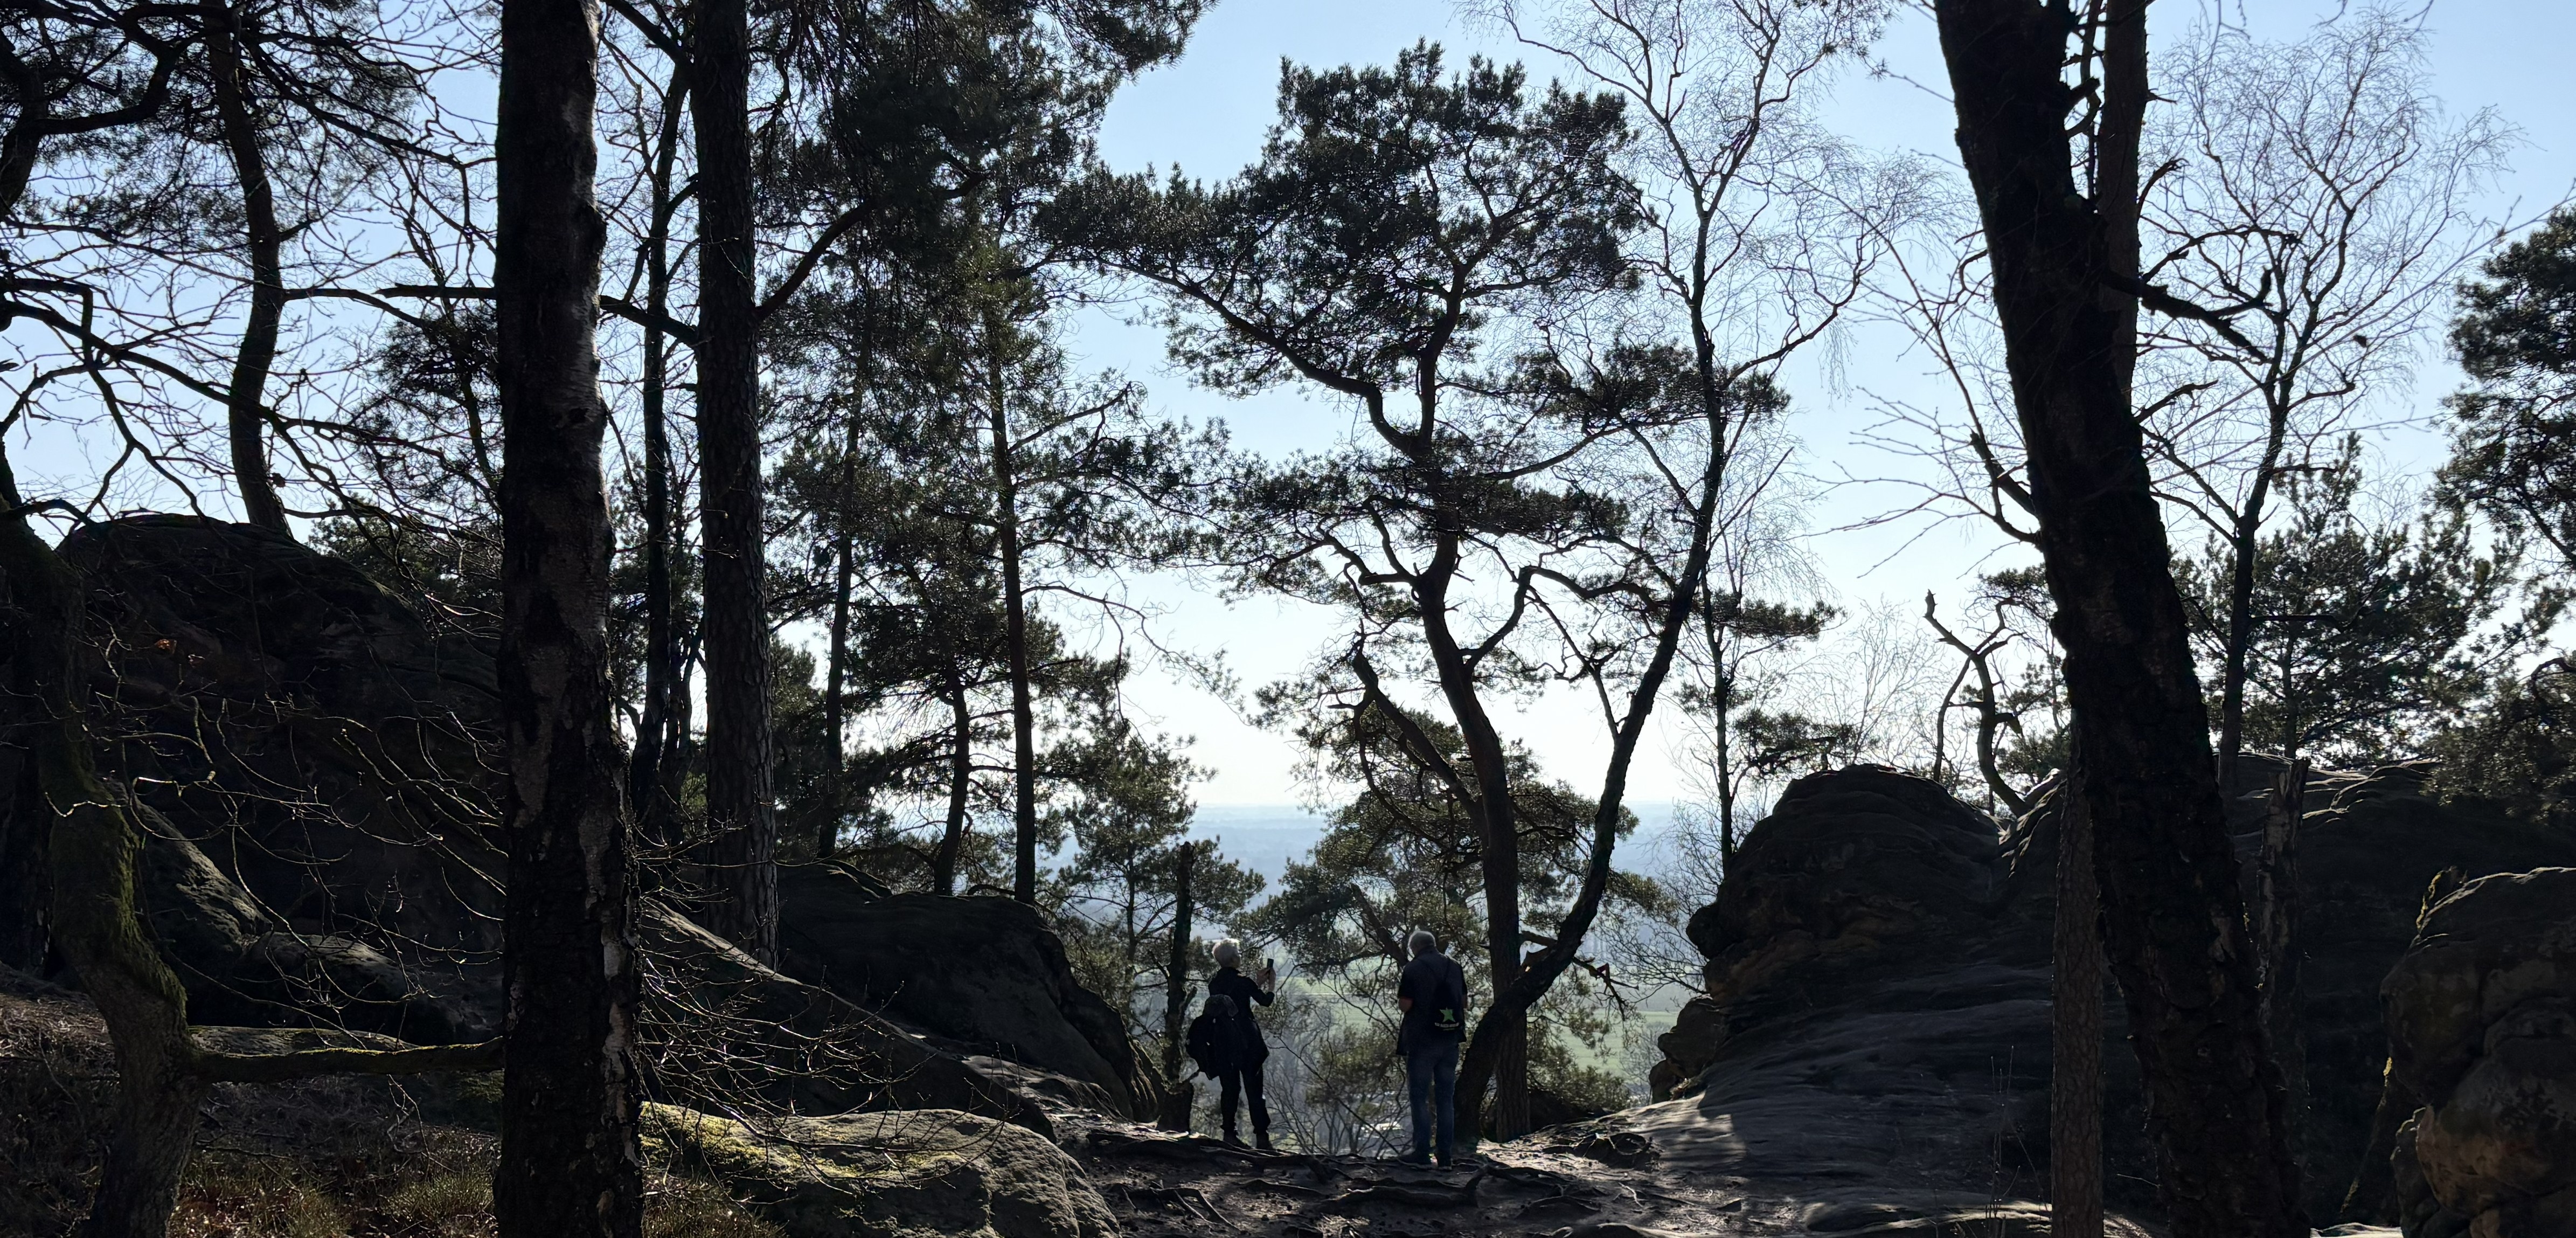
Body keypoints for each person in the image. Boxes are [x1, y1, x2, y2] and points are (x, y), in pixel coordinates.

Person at [1396, 928, 1468, 1167]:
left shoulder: (1413, 969)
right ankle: (1445, 1156)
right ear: (1433, 944)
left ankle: (1422, 1153)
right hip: (1450, 1040)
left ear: (1415, 948)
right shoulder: (1455, 966)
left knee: (1419, 1097)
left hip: (1423, 1042)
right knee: (1446, 1099)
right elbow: (1464, 1002)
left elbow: (1405, 1005)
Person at [1206, 938, 1276, 1150]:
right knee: (1254, 1089)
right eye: (1238, 953)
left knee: (1230, 1089)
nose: (1240, 956)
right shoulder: (1244, 981)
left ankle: (1229, 1133)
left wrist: (1256, 983)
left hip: (1223, 1042)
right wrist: (1270, 985)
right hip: (1248, 1043)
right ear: (1233, 958)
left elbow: (1233, 1000)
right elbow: (1265, 1001)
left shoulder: (1214, 983)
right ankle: (1262, 1137)